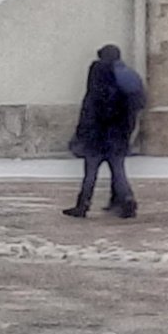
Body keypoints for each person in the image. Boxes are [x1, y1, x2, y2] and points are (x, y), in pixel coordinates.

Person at [63, 41, 144, 218]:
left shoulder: (98, 75)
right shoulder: (128, 77)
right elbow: (138, 105)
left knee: (90, 172)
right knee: (118, 170)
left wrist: (81, 132)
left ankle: (82, 205)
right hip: (119, 134)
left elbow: (90, 108)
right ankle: (127, 200)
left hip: (97, 135)